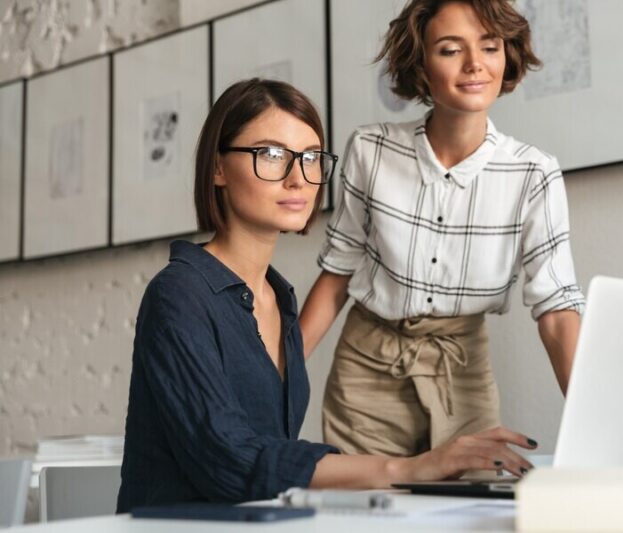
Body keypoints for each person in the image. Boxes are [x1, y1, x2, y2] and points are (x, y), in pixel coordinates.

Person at [116, 78, 534, 512]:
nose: (299, 178)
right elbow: (230, 459)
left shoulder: (278, 297)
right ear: (219, 168)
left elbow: (267, 460)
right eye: (272, 155)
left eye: (311, 158)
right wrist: (406, 468)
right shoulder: (178, 295)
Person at [300, 0, 585, 457]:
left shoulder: (534, 173)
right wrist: (273, 379)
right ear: (421, 63)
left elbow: (556, 309)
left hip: (463, 371)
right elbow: (337, 274)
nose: (475, 64)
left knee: (469, 515)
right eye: (451, 50)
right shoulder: (370, 150)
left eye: (490, 47)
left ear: (506, 55)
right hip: (365, 374)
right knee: (369, 519)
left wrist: (593, 419)